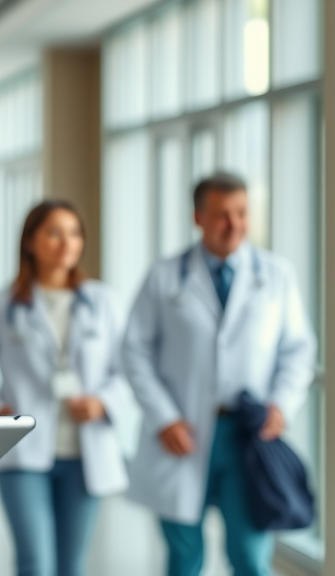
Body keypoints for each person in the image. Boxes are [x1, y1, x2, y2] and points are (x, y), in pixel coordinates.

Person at [123, 173, 316, 576]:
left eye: (241, 213)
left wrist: (281, 404)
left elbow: (298, 349)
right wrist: (164, 417)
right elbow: (135, 350)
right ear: (198, 217)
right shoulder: (164, 275)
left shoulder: (276, 274)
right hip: (181, 431)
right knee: (184, 557)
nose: (234, 224)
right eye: (222, 215)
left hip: (248, 435)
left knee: (250, 557)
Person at [0, 200, 130, 576]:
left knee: (71, 565)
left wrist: (103, 402)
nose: (66, 243)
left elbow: (126, 370)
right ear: (30, 241)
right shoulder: (3, 305)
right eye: (54, 233)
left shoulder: (103, 301)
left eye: (74, 233)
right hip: (23, 452)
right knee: (35, 563)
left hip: (85, 453)